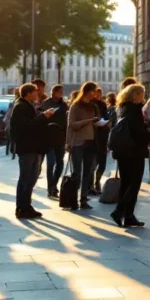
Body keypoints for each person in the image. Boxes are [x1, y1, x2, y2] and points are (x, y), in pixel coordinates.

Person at [10, 82, 56, 219]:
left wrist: (43, 115)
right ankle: (21, 207)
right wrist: (43, 116)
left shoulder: (28, 105)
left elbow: (33, 121)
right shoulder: (20, 106)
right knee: (25, 178)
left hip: (34, 147)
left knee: (32, 177)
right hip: (27, 147)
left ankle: (27, 205)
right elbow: (25, 126)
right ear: (28, 93)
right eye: (35, 92)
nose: (38, 94)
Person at [111, 84, 150, 228]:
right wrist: (148, 134)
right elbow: (138, 132)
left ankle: (128, 216)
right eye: (141, 94)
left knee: (126, 183)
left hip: (123, 151)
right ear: (135, 95)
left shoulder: (122, 107)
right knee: (134, 184)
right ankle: (120, 211)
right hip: (134, 151)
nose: (143, 97)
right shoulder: (135, 110)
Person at [67, 82, 100, 211]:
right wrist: (68, 142)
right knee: (77, 172)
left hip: (91, 141)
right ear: (87, 91)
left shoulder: (93, 106)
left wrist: (99, 123)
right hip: (78, 142)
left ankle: (84, 199)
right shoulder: (75, 106)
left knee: (88, 172)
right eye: (94, 91)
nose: (95, 94)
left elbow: (95, 122)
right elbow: (72, 124)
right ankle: (73, 200)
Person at [40, 85, 69, 199]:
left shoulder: (64, 104)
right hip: (49, 137)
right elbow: (42, 118)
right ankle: (50, 188)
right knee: (50, 164)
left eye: (62, 92)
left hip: (61, 137)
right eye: (59, 92)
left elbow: (67, 120)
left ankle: (54, 184)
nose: (60, 94)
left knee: (60, 163)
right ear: (53, 92)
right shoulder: (46, 103)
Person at [91, 86, 112, 195]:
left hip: (103, 135)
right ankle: (91, 184)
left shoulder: (103, 105)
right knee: (93, 163)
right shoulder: (90, 104)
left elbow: (107, 117)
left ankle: (97, 181)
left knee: (102, 163)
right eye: (97, 93)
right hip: (93, 136)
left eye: (100, 93)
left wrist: (106, 122)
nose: (98, 95)